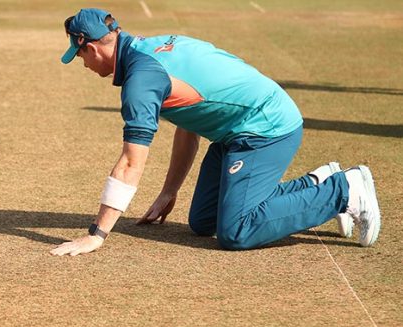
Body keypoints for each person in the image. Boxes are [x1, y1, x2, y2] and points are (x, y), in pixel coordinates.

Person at [50, 8, 381, 256]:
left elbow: (129, 164)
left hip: (266, 129)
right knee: (203, 221)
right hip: (236, 132)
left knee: (236, 231)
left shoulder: (140, 81)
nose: (83, 64)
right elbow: (188, 125)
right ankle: (317, 181)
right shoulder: (151, 47)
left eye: (79, 55)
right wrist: (169, 190)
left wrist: (97, 234)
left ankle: (343, 190)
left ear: (91, 48)